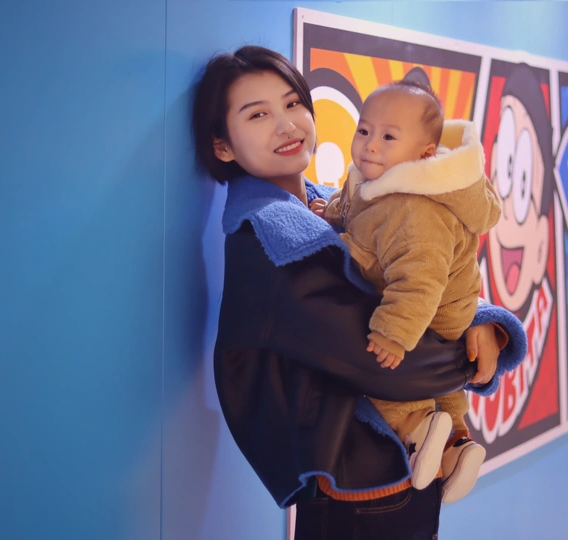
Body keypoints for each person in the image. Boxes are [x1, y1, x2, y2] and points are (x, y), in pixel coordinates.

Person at [191, 45, 527, 539]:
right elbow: (386, 362)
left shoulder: (330, 205)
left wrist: (482, 319)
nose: (286, 125)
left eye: (293, 103)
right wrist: (471, 351)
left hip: (397, 474)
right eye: (258, 114)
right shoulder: (272, 241)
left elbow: (411, 275)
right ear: (223, 146)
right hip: (357, 492)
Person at [309, 80, 504, 504]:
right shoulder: (383, 178)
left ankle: (417, 426)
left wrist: (394, 332)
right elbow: (357, 204)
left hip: (431, 311)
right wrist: (332, 212)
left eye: (388, 137)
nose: (370, 145)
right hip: (437, 307)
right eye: (364, 130)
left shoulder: (412, 209)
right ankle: (456, 446)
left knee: (387, 373)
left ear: (425, 154)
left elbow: (420, 280)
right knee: (446, 388)